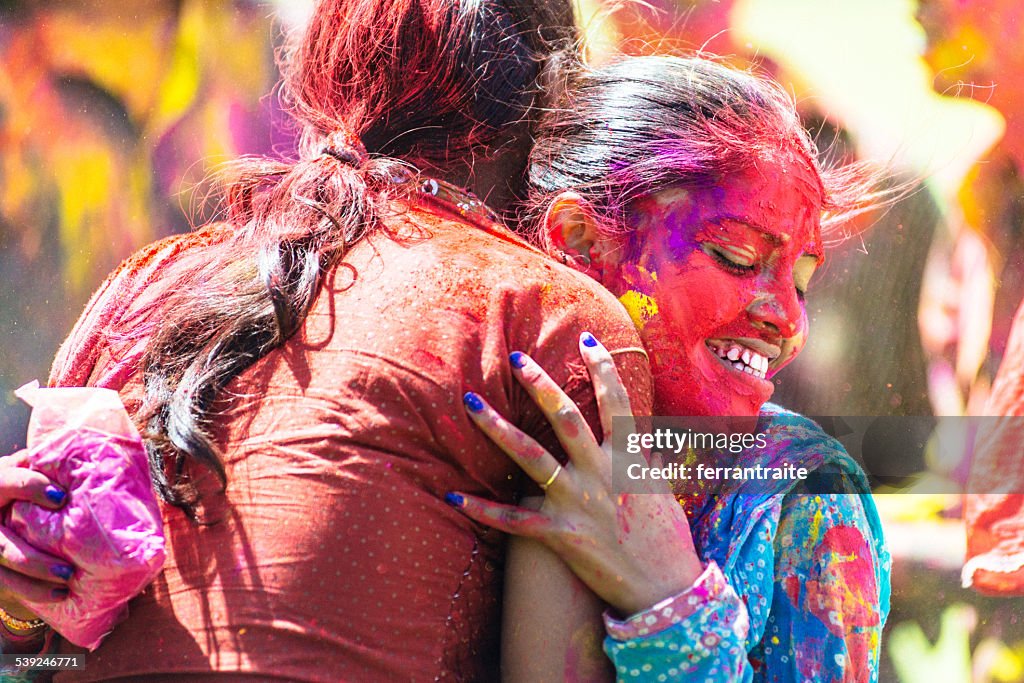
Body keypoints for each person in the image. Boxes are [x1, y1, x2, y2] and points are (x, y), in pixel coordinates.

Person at [0, 1, 669, 680]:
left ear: (317, 80)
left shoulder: (148, 282)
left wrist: (19, 610)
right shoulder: (553, 318)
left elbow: (34, 645)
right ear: (552, 104)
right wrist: (686, 610)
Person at [449, 55, 891, 681]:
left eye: (801, 283)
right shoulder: (470, 422)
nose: (786, 319)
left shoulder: (801, 493)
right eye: (736, 258)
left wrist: (670, 597)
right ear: (580, 239)